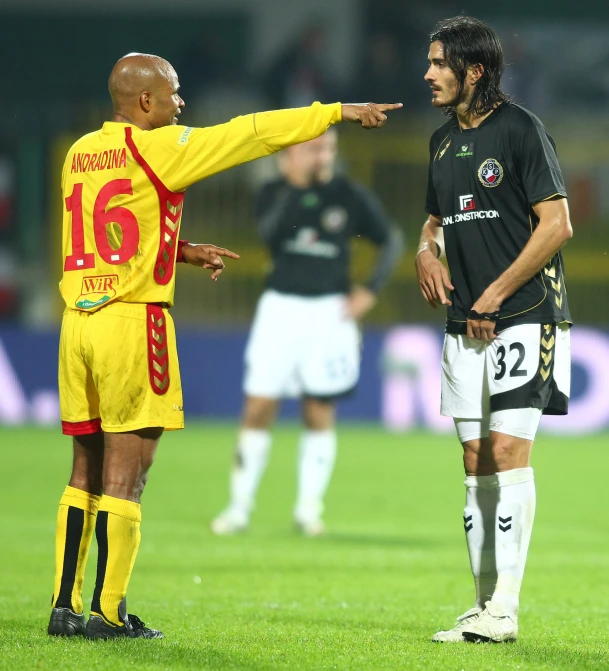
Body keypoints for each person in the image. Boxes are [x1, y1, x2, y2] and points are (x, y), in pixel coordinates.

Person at [47, 51, 402, 640]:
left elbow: (110, 229)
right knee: (128, 467)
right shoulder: (160, 146)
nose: (181, 104)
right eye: (173, 93)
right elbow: (251, 134)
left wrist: (180, 250)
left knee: (83, 463)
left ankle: (65, 605)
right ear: (144, 102)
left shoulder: (80, 152)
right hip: (132, 323)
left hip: (77, 321)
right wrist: (336, 112)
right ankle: (108, 614)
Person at [415, 17, 572, 643]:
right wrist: (426, 251)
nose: (427, 74)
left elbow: (556, 225)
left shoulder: (522, 130)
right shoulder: (440, 141)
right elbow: (432, 224)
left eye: (438, 64)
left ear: (473, 71)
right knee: (475, 459)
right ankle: (482, 607)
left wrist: (495, 292)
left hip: (525, 313)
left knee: (509, 453)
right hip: (465, 323)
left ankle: (505, 607)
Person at [211, 128, 404, 537]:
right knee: (259, 405)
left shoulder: (349, 195)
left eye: (327, 148)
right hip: (280, 309)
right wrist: (296, 185)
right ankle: (239, 507)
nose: (321, 156)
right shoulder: (273, 193)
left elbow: (391, 239)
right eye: (311, 149)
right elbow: (269, 234)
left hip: (329, 313)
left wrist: (369, 291)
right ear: (290, 155)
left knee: (319, 409)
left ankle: (307, 510)